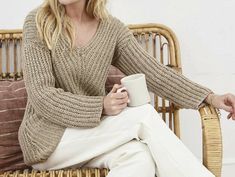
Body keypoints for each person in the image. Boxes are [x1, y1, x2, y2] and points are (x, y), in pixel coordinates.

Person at [18, 0, 235, 176]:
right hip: (47, 140)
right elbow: (42, 96)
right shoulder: (38, 22)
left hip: (92, 137)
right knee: (142, 116)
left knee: (140, 157)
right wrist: (101, 105)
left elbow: (155, 73)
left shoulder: (111, 29)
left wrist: (210, 97)